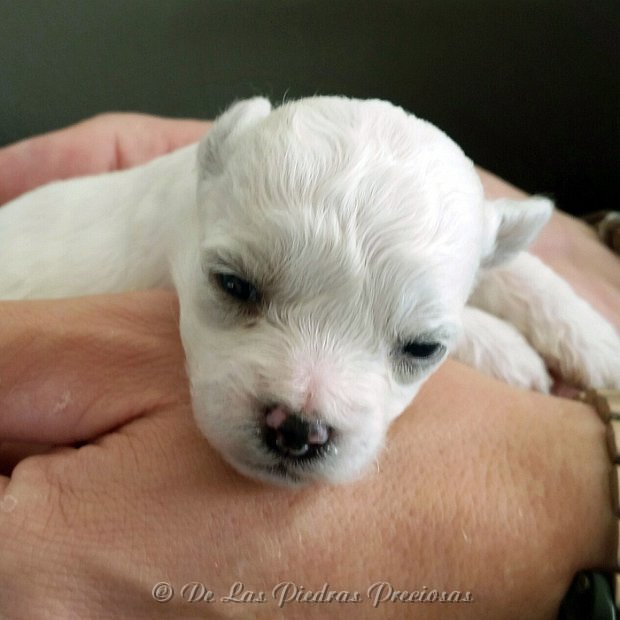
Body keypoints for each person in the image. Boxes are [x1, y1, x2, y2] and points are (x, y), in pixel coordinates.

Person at [0, 114, 617, 619]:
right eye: (239, 289)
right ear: (211, 169)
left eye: (416, 347)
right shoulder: (211, 188)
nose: (301, 415)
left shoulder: (247, 202)